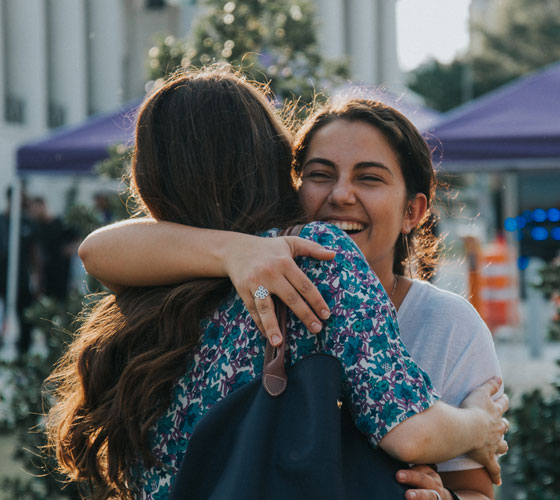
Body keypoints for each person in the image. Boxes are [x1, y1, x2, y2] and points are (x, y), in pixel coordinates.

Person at [54, 69, 508, 500]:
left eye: (368, 178)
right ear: (275, 163)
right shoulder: (314, 257)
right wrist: (478, 425)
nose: (341, 195)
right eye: (319, 174)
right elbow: (412, 432)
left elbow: (95, 250)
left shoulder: (151, 283)